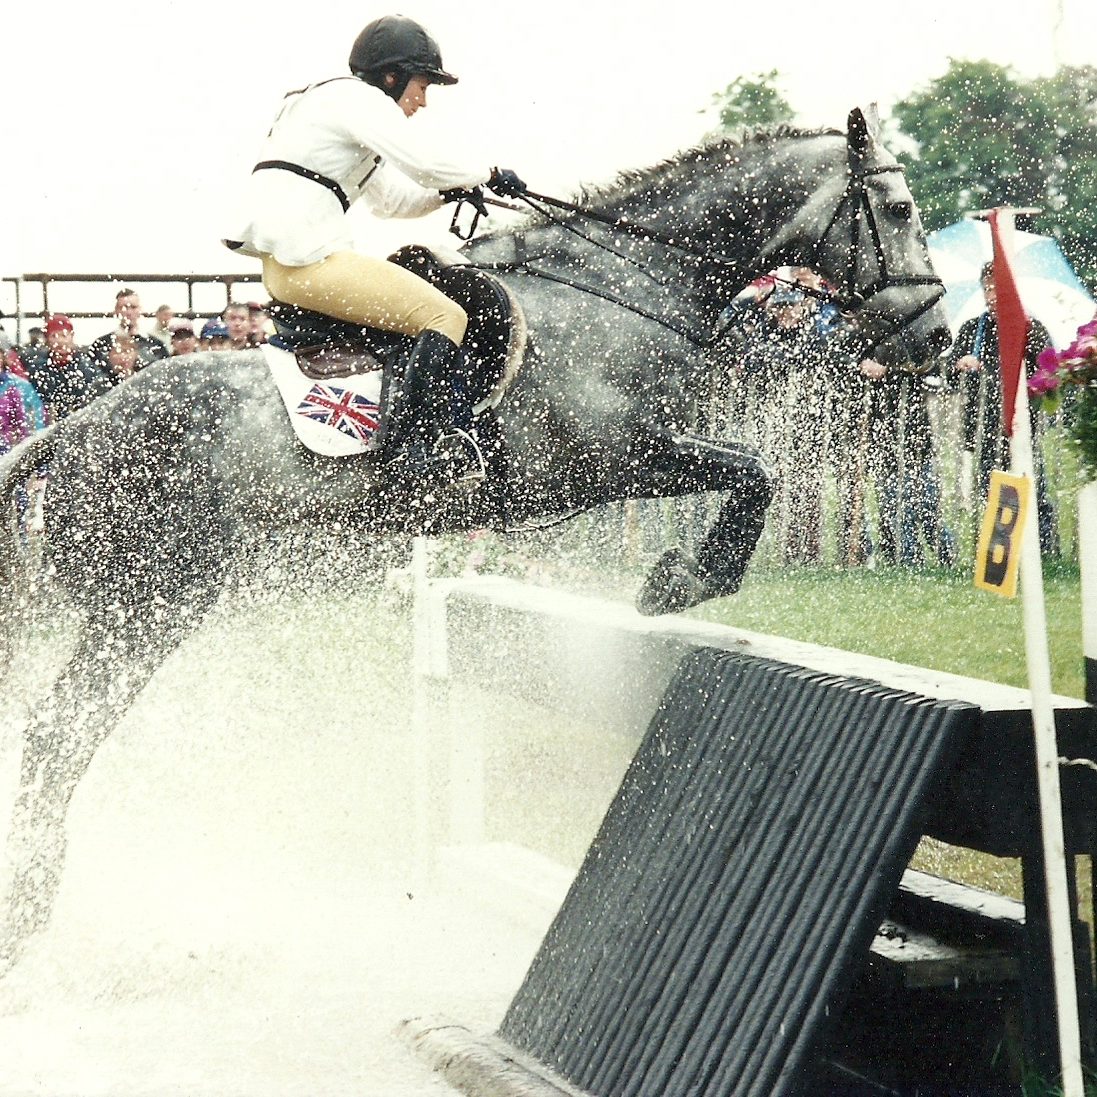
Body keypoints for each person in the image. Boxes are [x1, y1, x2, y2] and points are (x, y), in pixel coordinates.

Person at [224, 14, 527, 480]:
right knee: (445, 316)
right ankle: (413, 452)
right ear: (392, 77)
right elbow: (424, 164)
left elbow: (392, 202)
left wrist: (452, 192)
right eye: (421, 87)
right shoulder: (355, 98)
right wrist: (487, 173)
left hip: (297, 265)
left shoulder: (342, 114)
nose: (422, 102)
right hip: (309, 263)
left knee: (419, 320)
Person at [946, 260, 1058, 555]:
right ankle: (1000, 557)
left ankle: (1043, 552)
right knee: (991, 493)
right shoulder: (974, 328)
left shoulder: (1030, 327)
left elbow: (1048, 371)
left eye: (998, 288)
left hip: (1023, 427)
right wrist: (959, 365)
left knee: (1034, 489)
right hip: (983, 428)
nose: (992, 295)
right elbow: (948, 371)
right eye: (987, 288)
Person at [20, 314, 113, 422]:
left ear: (72, 336)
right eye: (54, 336)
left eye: (64, 335)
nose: (60, 341)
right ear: (47, 340)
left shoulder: (87, 367)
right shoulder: (37, 370)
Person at [88, 288, 170, 370]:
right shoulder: (101, 345)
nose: (129, 312)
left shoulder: (156, 345)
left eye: (133, 307)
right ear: (116, 311)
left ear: (140, 310)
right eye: (123, 308)